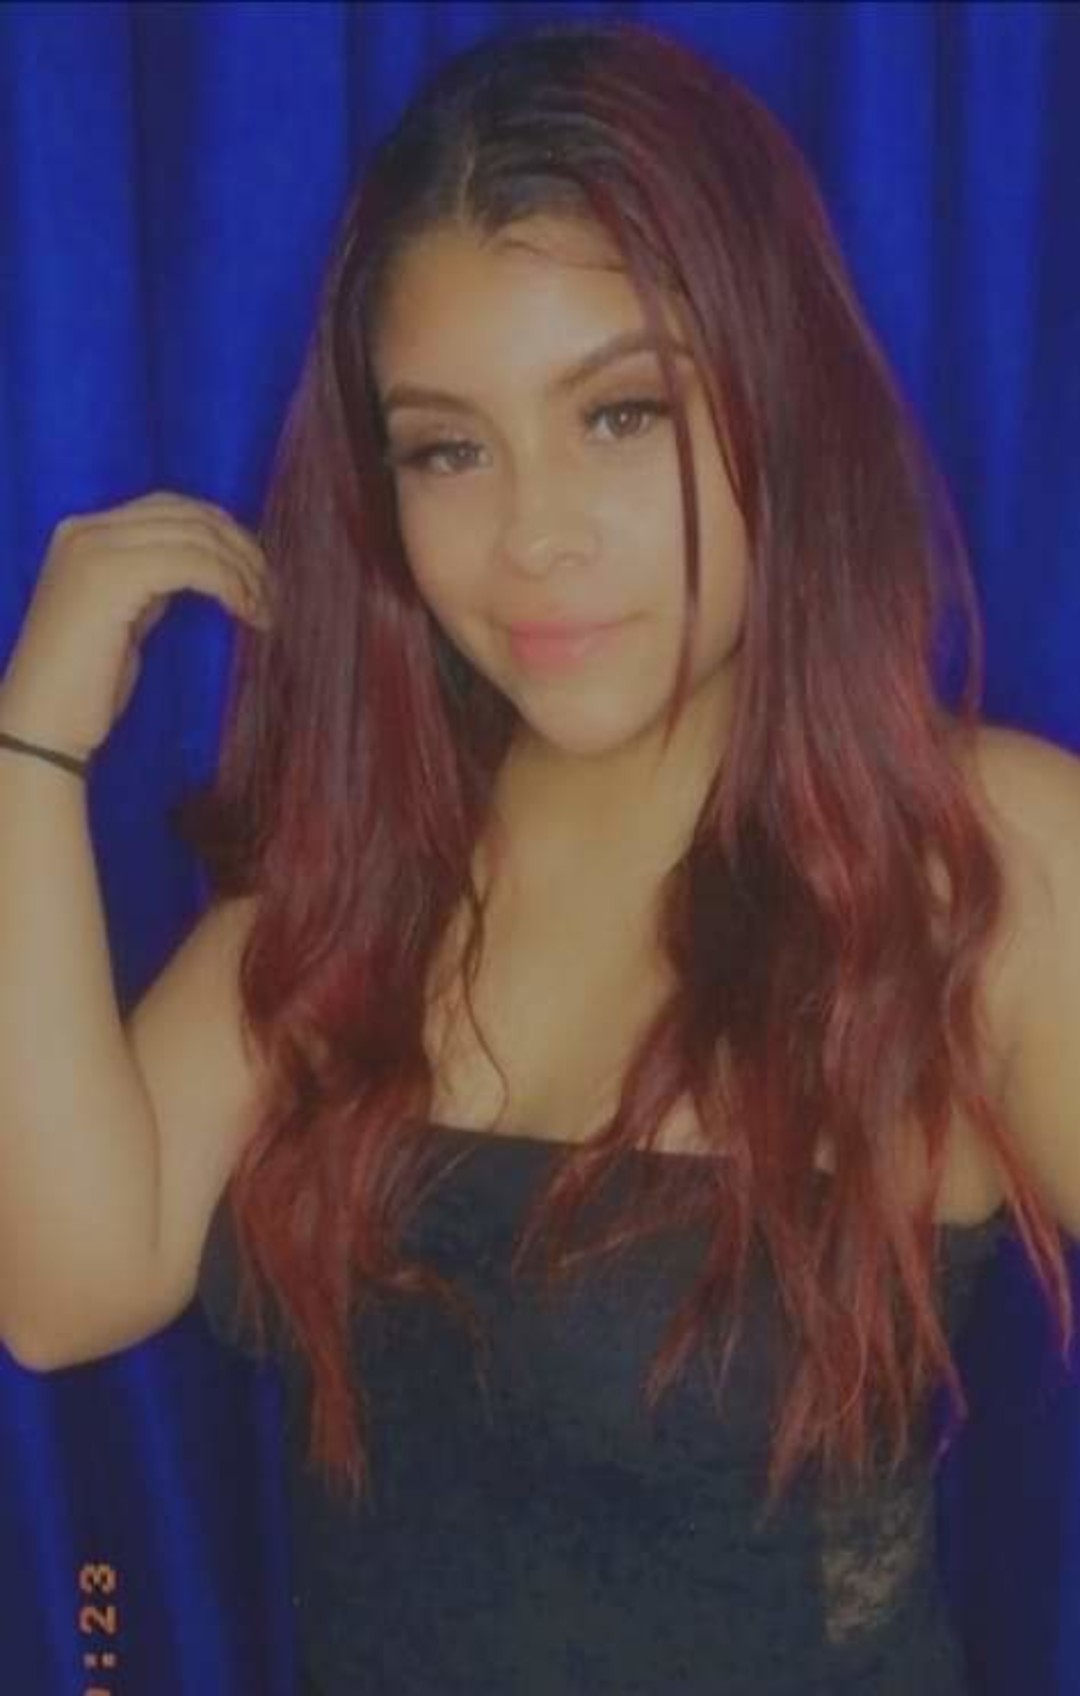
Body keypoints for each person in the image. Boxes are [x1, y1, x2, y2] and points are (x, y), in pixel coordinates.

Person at [1, 16, 1077, 1695]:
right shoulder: (361, 889)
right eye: (449, 448)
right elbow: (60, 1286)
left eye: (622, 415)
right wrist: (29, 757)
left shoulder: (978, 857)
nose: (535, 535)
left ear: (779, 401)